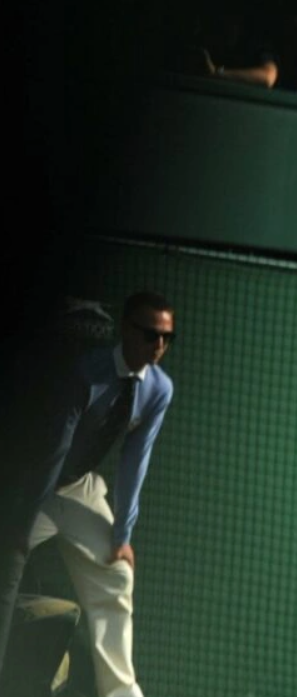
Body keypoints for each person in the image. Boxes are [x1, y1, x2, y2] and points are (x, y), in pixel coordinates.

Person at [5, 292, 175, 697]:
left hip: (81, 486)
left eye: (167, 337)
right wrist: (21, 523)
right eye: (150, 334)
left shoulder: (159, 389)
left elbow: (137, 456)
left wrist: (122, 535)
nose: (159, 345)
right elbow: (54, 452)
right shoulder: (88, 372)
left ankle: (121, 692)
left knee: (116, 573)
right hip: (33, 485)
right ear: (126, 330)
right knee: (6, 569)